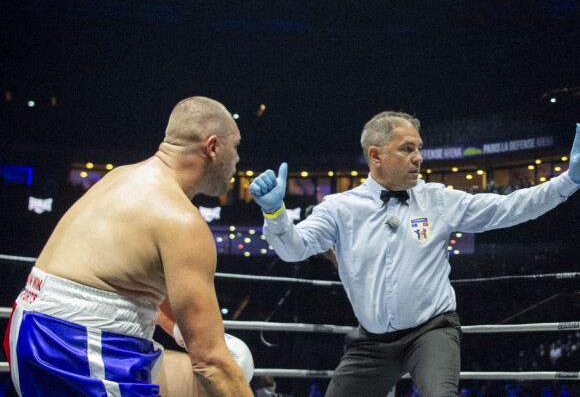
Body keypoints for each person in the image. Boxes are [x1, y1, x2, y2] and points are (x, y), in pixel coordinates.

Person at [249, 112, 580, 397]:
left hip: (432, 329)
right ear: (376, 155)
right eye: (407, 149)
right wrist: (275, 212)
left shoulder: (438, 200)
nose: (419, 157)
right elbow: (293, 250)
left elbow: (509, 207)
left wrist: (568, 181)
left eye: (418, 148)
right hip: (372, 341)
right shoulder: (339, 208)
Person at [3, 96, 254, 397]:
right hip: (72, 346)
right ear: (212, 147)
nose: (239, 158)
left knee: (236, 360)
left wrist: (179, 332)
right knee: (222, 368)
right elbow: (211, 363)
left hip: (39, 329)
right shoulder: (182, 221)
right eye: (235, 146)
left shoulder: (121, 177)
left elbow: (135, 283)